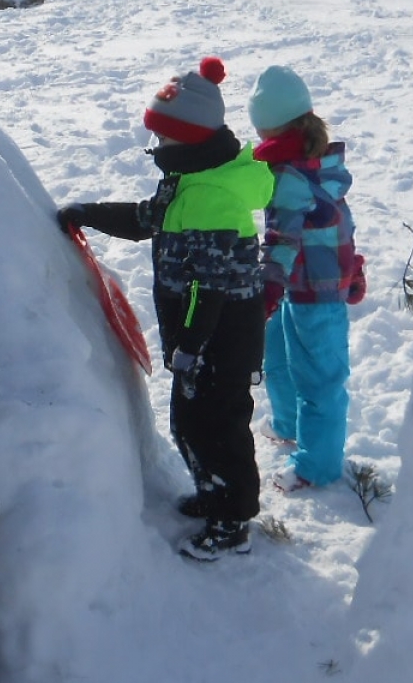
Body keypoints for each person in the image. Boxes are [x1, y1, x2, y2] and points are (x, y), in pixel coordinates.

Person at [59, 58, 274, 560]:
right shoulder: (188, 177)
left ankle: (231, 519)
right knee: (191, 422)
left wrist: (190, 345)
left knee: (215, 427)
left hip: (220, 337)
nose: (156, 146)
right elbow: (147, 219)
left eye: (163, 137)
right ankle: (215, 494)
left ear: (191, 139)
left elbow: (207, 286)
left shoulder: (211, 196)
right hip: (200, 334)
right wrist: (89, 214)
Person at [249, 65, 365, 493]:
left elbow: (282, 237)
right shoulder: (317, 161)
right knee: (277, 356)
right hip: (300, 282)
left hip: (314, 292)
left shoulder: (290, 175)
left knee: (320, 380)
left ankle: (317, 466)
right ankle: (286, 424)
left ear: (268, 126)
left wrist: (268, 285)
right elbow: (340, 222)